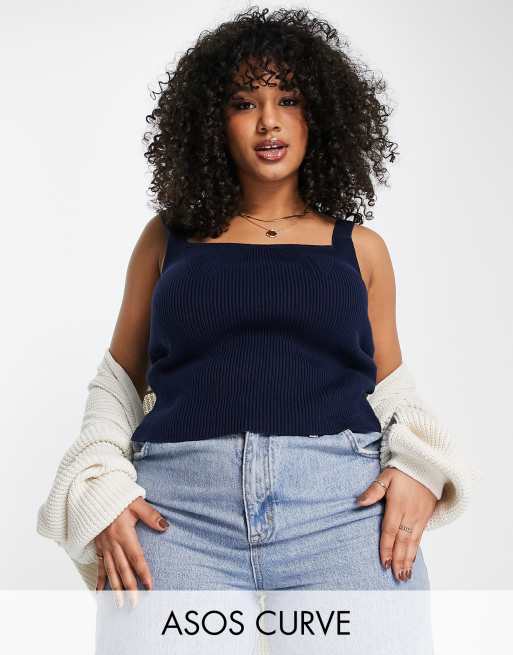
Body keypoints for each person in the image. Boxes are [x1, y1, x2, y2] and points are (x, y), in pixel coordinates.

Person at [95, 6, 438, 595]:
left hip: (342, 511)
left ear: (319, 114)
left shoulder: (361, 249)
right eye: (244, 103)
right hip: (178, 516)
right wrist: (100, 485)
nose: (269, 122)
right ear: (213, 121)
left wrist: (417, 467)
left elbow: (393, 392)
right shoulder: (166, 239)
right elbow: (118, 382)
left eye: (289, 100)